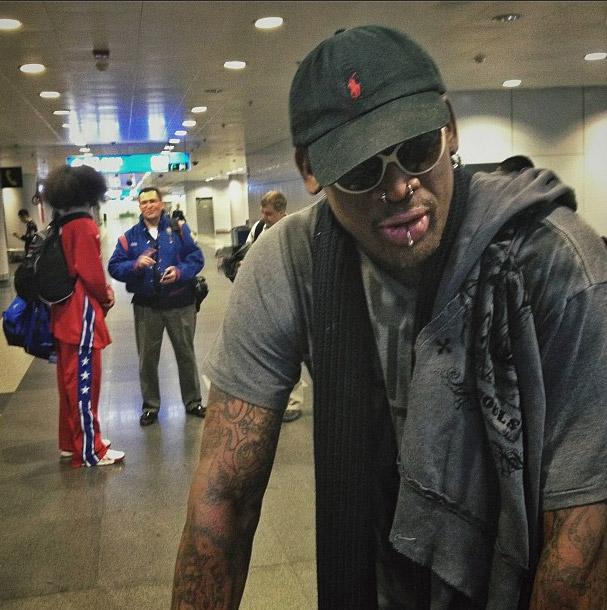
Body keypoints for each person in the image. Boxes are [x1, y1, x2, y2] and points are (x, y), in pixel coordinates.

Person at [172, 25, 607, 610]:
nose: (400, 187)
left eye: (418, 148)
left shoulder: (554, 263)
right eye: (360, 170)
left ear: (449, 128)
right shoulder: (291, 263)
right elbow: (225, 498)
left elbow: (582, 541)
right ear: (310, 171)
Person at [43, 165, 124, 467]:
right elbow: (91, 273)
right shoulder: (84, 225)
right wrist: (106, 294)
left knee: (68, 383)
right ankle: (91, 450)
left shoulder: (60, 224)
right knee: (84, 383)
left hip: (63, 312)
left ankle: (70, 442)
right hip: (82, 315)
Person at [108, 187, 205, 426]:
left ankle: (193, 401)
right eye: (144, 203)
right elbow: (114, 266)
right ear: (139, 207)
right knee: (147, 359)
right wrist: (135, 265)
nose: (149, 206)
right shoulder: (130, 237)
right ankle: (151, 406)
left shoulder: (179, 229)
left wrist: (180, 272)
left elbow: (196, 258)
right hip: (147, 307)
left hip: (180, 304)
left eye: (153, 201)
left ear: (161, 204)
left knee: (186, 354)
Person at [244, 190, 304, 423]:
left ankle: (294, 401)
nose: (264, 217)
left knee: (290, 352)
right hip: (262, 298)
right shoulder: (258, 229)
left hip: (287, 299)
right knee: (266, 351)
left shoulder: (294, 230)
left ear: (281, 211)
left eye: (269, 214)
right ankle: (269, 398)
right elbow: (248, 253)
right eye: (263, 212)